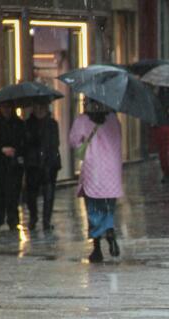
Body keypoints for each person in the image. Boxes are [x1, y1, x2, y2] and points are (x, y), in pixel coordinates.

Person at [68, 100, 123, 263]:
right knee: (108, 207)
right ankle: (110, 229)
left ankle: (97, 248)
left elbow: (74, 142)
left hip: (93, 169)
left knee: (93, 209)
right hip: (112, 170)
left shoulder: (82, 120)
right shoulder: (113, 119)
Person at [0, 102, 25, 232]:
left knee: (12, 193)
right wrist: (1, 148)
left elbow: (23, 143)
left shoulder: (18, 123)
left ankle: (12, 219)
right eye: (4, 107)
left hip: (12, 165)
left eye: (8, 107)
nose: (6, 110)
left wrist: (15, 151)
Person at [24, 99, 61, 232]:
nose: (39, 110)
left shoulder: (52, 124)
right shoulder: (28, 124)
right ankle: (33, 217)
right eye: (37, 107)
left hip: (50, 163)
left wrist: (46, 153)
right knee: (31, 194)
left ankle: (46, 220)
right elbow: (25, 143)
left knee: (49, 193)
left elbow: (55, 143)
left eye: (42, 107)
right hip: (33, 164)